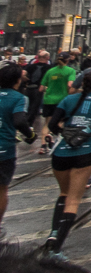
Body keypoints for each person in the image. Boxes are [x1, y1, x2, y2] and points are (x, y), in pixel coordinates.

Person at [44, 70, 91, 254]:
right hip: (86, 152)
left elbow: (52, 124)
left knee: (63, 193)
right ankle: (56, 249)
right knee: (74, 200)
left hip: (61, 152)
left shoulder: (68, 100)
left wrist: (66, 134)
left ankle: (53, 233)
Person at [0, 63, 37, 233]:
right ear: (17, 80)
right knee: (2, 188)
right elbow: (20, 121)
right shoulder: (18, 98)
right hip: (4, 149)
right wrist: (30, 136)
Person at [38, 52, 76, 154]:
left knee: (47, 124)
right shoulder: (70, 71)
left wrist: (49, 88)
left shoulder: (50, 71)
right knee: (61, 122)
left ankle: (43, 146)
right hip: (62, 101)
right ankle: (59, 142)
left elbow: (41, 88)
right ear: (68, 60)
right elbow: (70, 84)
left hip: (48, 100)